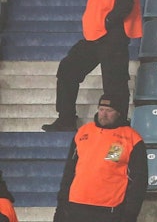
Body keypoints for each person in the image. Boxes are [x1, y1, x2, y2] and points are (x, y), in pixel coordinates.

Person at [43, 0, 142, 133]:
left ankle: (119, 126)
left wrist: (108, 21)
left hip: (112, 35)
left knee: (115, 84)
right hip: (95, 35)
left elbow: (125, 3)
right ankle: (66, 119)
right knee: (68, 69)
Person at [54, 94, 147, 222]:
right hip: (76, 205)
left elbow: (139, 181)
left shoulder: (132, 138)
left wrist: (130, 213)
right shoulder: (83, 132)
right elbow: (69, 171)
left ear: (119, 113)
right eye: (101, 109)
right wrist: (62, 203)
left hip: (109, 209)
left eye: (109, 111)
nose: (104, 114)